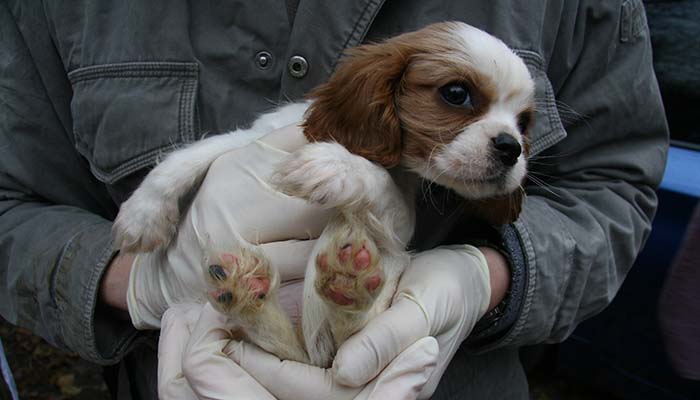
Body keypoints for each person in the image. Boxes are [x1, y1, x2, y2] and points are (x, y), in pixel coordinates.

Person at [0, 1, 668, 399]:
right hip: (190, 372)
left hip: (414, 376)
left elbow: (611, 186)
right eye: (458, 96)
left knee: (360, 308)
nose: (509, 145)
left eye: (521, 126)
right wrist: (139, 281)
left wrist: (482, 278)